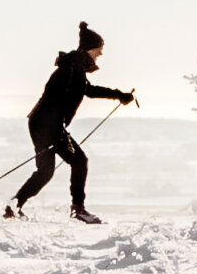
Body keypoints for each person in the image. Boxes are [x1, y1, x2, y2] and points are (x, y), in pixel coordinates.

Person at [8, 24, 137, 223]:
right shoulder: (72, 68)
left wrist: (119, 95)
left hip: (39, 123)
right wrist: (57, 129)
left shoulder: (74, 67)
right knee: (79, 161)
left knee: (45, 171)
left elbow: (88, 90)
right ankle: (79, 209)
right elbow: (61, 96)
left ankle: (14, 206)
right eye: (99, 51)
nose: (100, 55)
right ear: (89, 49)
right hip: (48, 125)